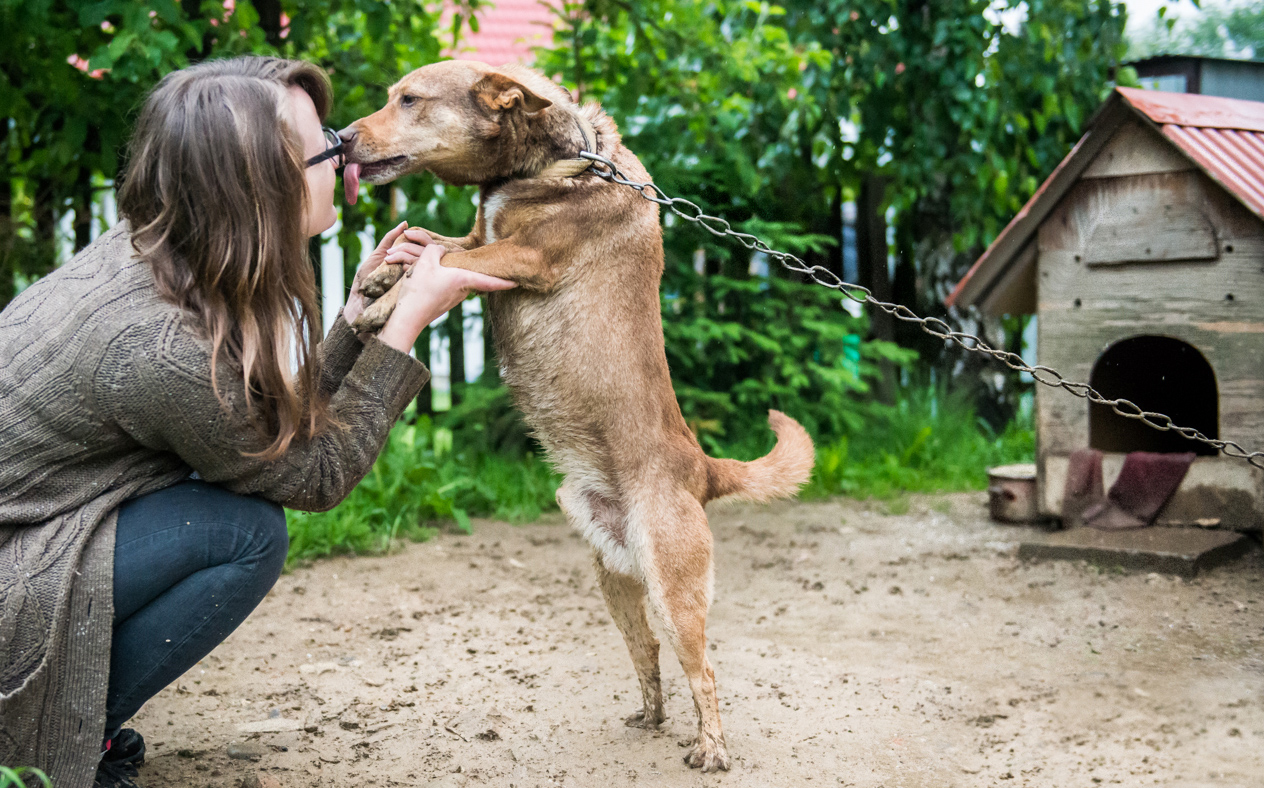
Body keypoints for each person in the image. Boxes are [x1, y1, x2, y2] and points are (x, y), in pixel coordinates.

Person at [0, 56, 513, 787]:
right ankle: (65, 737)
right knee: (244, 535)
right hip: (13, 570)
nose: (344, 151)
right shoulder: (159, 347)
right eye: (324, 147)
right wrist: (404, 330)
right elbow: (314, 476)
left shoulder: (161, 252)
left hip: (28, 532)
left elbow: (254, 432)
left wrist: (357, 320)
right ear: (260, 185)